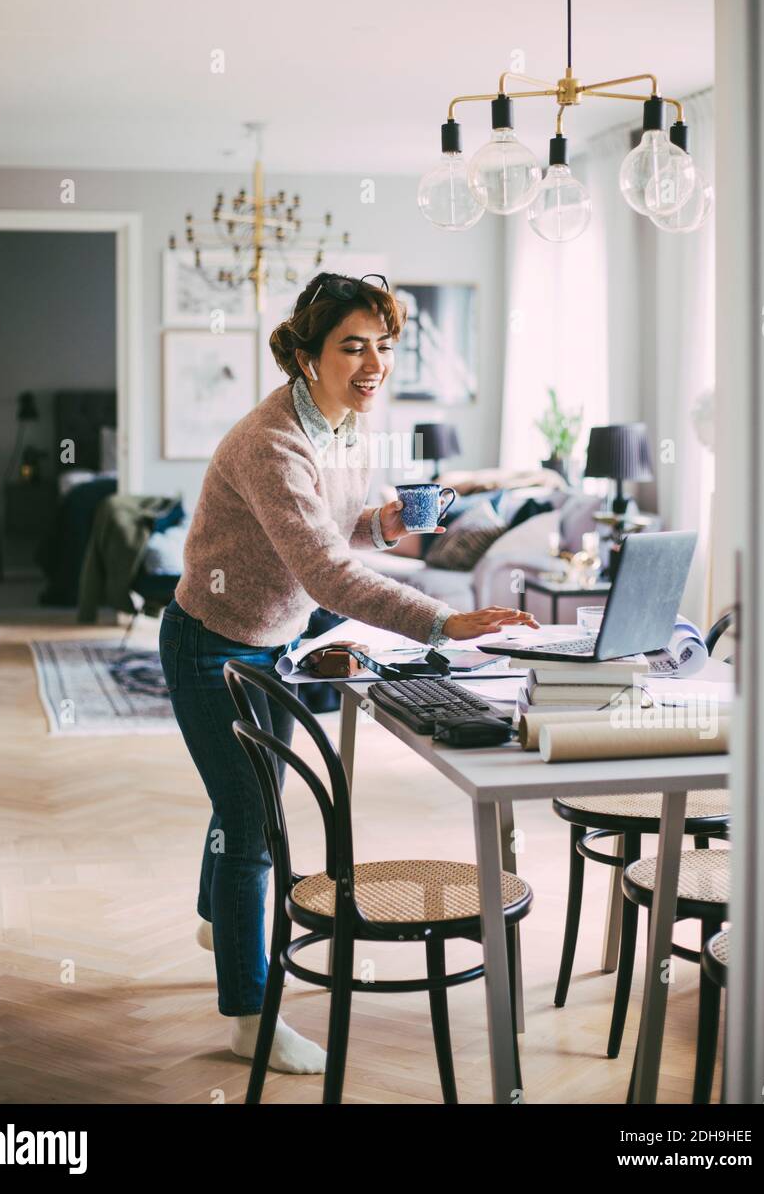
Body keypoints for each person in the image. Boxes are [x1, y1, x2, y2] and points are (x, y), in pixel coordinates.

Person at [159, 272, 539, 1075]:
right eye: (352, 346)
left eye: (384, 346)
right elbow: (327, 574)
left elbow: (335, 532)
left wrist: (384, 522)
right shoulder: (271, 443)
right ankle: (245, 1015)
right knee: (254, 819)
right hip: (210, 642)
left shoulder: (347, 427)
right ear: (306, 355)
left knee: (247, 797)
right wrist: (441, 619)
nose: (373, 364)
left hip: (272, 640)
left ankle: (211, 918)